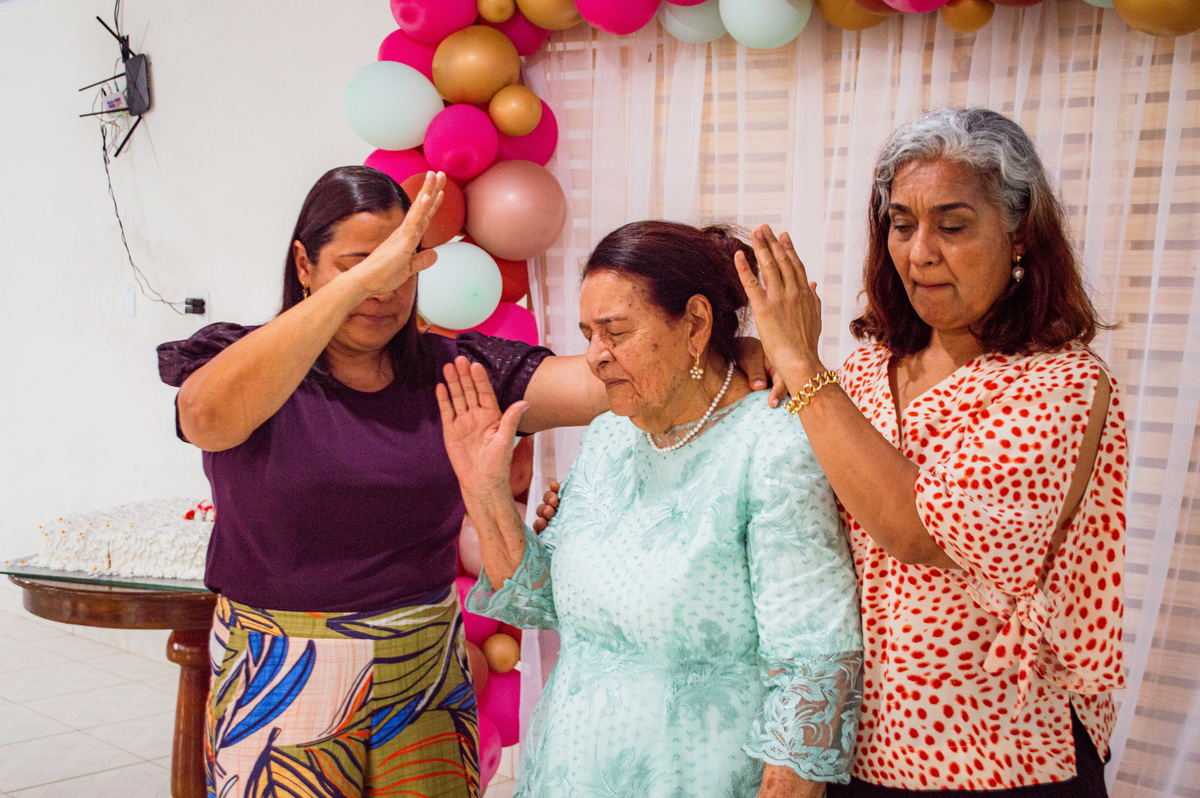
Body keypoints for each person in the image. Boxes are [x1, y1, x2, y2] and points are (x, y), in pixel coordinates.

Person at [156, 166, 611, 797]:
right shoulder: (245, 362)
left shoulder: (453, 371)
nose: (385, 289)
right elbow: (205, 418)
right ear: (304, 263)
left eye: (403, 266)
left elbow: (600, 384)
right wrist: (361, 283)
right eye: (361, 265)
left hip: (423, 670)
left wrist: (724, 353)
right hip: (280, 672)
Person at [733, 108, 1127, 794]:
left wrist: (797, 358)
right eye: (901, 222)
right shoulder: (859, 372)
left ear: (1019, 236)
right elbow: (790, 521)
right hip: (859, 758)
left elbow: (916, 528)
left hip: (1005, 760)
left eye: (952, 225)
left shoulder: (1062, 383)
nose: (919, 252)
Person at [436, 220, 864, 797]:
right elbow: (547, 601)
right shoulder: (612, 434)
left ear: (694, 324)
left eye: (614, 331)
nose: (593, 357)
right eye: (587, 333)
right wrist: (485, 493)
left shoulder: (773, 445)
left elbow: (814, 669)